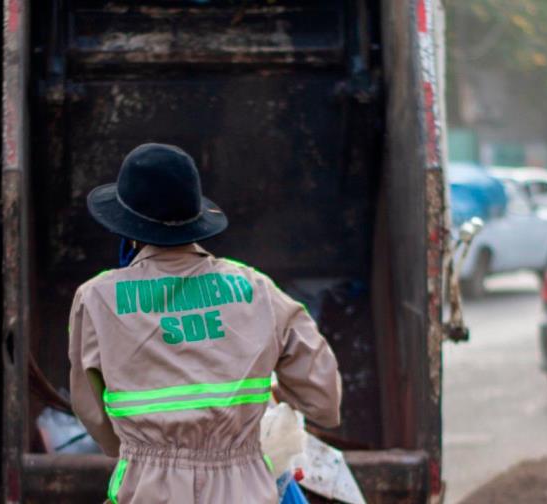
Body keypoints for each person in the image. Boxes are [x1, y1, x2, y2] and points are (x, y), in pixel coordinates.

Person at [68, 143, 342, 503]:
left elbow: (94, 416)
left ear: (127, 228)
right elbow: (324, 401)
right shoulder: (257, 289)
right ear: (196, 219)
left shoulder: (96, 299)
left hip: (149, 490)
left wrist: (142, 448)